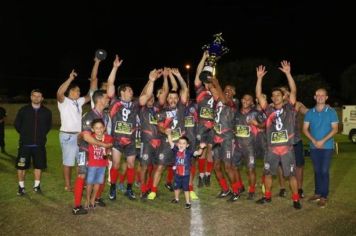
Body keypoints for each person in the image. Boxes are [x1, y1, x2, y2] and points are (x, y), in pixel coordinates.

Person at [255, 61, 302, 209]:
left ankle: (295, 199)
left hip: (287, 149)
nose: (275, 97)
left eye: (278, 95)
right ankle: (267, 196)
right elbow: (258, 95)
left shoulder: (290, 108)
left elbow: (294, 91)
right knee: (268, 173)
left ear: (283, 97)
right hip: (272, 149)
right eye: (273, 95)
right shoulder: (268, 110)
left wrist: (288, 73)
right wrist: (259, 78)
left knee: (291, 175)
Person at [72, 90, 112, 215]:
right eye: (106, 98)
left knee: (101, 174)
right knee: (82, 175)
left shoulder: (105, 116)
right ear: (99, 100)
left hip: (100, 152)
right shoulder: (88, 116)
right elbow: (86, 137)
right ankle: (77, 206)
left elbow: (105, 135)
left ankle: (97, 198)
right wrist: (103, 145)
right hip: (84, 151)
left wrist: (107, 148)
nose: (108, 100)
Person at [57, 69, 95, 191]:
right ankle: (68, 185)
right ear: (70, 91)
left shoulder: (78, 102)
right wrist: (70, 79)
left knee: (81, 161)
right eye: (76, 90)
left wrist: (93, 82)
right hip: (67, 136)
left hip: (79, 136)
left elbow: (90, 96)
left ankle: (81, 182)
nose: (79, 92)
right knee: (68, 162)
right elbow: (59, 92)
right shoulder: (64, 101)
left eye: (79, 90)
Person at [303, 88, 338, 208]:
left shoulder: (331, 112)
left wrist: (322, 141)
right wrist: (313, 140)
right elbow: (305, 129)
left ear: (326, 97)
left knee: (324, 171)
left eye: (323, 95)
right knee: (317, 171)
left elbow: (335, 129)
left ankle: (324, 196)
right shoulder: (310, 112)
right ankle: (317, 193)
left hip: (327, 146)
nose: (320, 97)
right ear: (315, 97)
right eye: (318, 95)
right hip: (314, 146)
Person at [14, 89, 52, 195]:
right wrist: (25, 135)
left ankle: (37, 186)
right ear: (31, 97)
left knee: (38, 166)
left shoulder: (47, 112)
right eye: (34, 96)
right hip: (24, 145)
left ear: (42, 98)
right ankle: (21, 187)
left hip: (39, 145)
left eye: (39, 96)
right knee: (21, 166)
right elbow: (17, 125)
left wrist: (40, 136)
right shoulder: (23, 110)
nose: (36, 98)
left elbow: (48, 127)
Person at [167, 133, 205, 209]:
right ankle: (176, 198)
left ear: (187, 145)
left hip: (185, 175)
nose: (181, 145)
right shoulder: (175, 150)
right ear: (177, 144)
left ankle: (188, 202)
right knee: (176, 187)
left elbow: (198, 153)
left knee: (186, 189)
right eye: (180, 143)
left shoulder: (189, 152)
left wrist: (201, 148)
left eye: (184, 143)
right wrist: (168, 134)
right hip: (177, 174)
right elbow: (171, 142)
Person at [85, 119, 113, 210]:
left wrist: (108, 153)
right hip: (92, 164)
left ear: (104, 128)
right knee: (90, 183)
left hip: (102, 164)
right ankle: (87, 199)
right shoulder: (90, 137)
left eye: (101, 128)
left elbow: (109, 148)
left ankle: (93, 199)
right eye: (96, 128)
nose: (99, 130)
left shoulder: (108, 138)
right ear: (92, 129)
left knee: (97, 183)